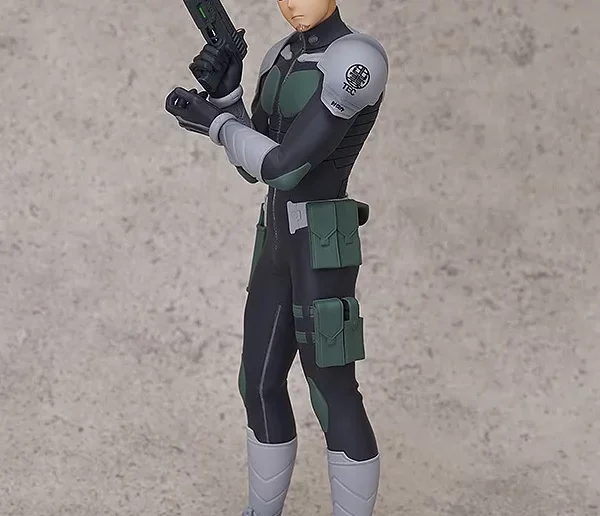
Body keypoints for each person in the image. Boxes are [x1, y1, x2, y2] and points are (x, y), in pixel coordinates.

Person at [165, 1, 389, 514]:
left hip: (321, 242)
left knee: (332, 390)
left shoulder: (356, 58)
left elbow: (285, 168)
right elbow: (255, 166)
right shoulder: (279, 55)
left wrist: (216, 123)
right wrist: (228, 97)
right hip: (275, 238)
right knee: (258, 382)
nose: (291, 3)